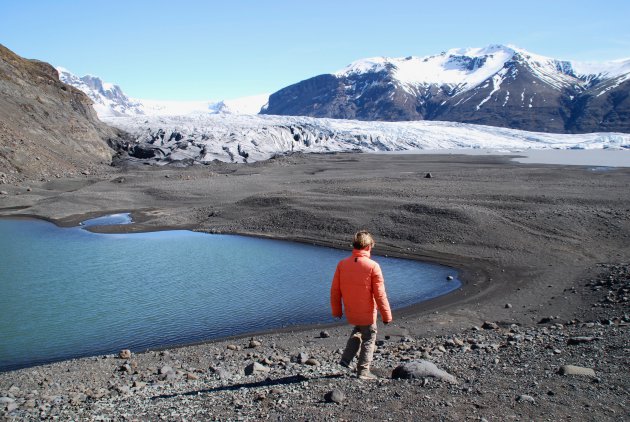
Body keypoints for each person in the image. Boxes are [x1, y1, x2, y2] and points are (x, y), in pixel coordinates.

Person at [330, 230, 392, 380]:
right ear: (368, 246)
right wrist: (386, 315)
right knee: (369, 337)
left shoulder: (342, 264)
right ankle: (363, 371)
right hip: (367, 312)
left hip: (351, 311)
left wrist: (337, 311)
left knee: (358, 330)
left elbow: (335, 291)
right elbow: (380, 294)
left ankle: (346, 359)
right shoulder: (373, 266)